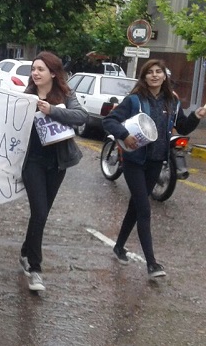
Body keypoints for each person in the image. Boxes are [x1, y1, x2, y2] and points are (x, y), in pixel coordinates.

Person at [103, 59, 205, 279]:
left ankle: (119, 246)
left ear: (165, 76)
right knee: (144, 209)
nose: (155, 75)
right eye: (150, 72)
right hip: (134, 161)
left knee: (136, 206)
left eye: (159, 72)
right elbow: (110, 121)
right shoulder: (134, 100)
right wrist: (124, 135)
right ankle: (152, 263)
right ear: (144, 77)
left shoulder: (172, 102)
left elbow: (183, 127)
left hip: (157, 162)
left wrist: (197, 116)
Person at [19, 51, 87, 292]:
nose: (35, 73)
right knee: (39, 211)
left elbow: (81, 117)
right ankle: (35, 269)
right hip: (33, 163)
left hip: (57, 163)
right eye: (33, 69)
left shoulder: (66, 95)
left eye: (41, 69)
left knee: (42, 213)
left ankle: (26, 251)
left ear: (53, 73)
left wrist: (52, 110)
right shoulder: (25, 96)